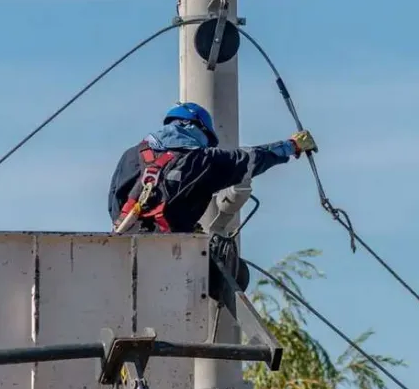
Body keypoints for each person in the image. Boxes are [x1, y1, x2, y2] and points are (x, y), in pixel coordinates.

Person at [107, 101, 318, 299]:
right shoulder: (202, 161)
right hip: (170, 258)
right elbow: (250, 159)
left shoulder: (130, 156)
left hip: (119, 253)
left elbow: (114, 202)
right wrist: (291, 146)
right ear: (197, 129)